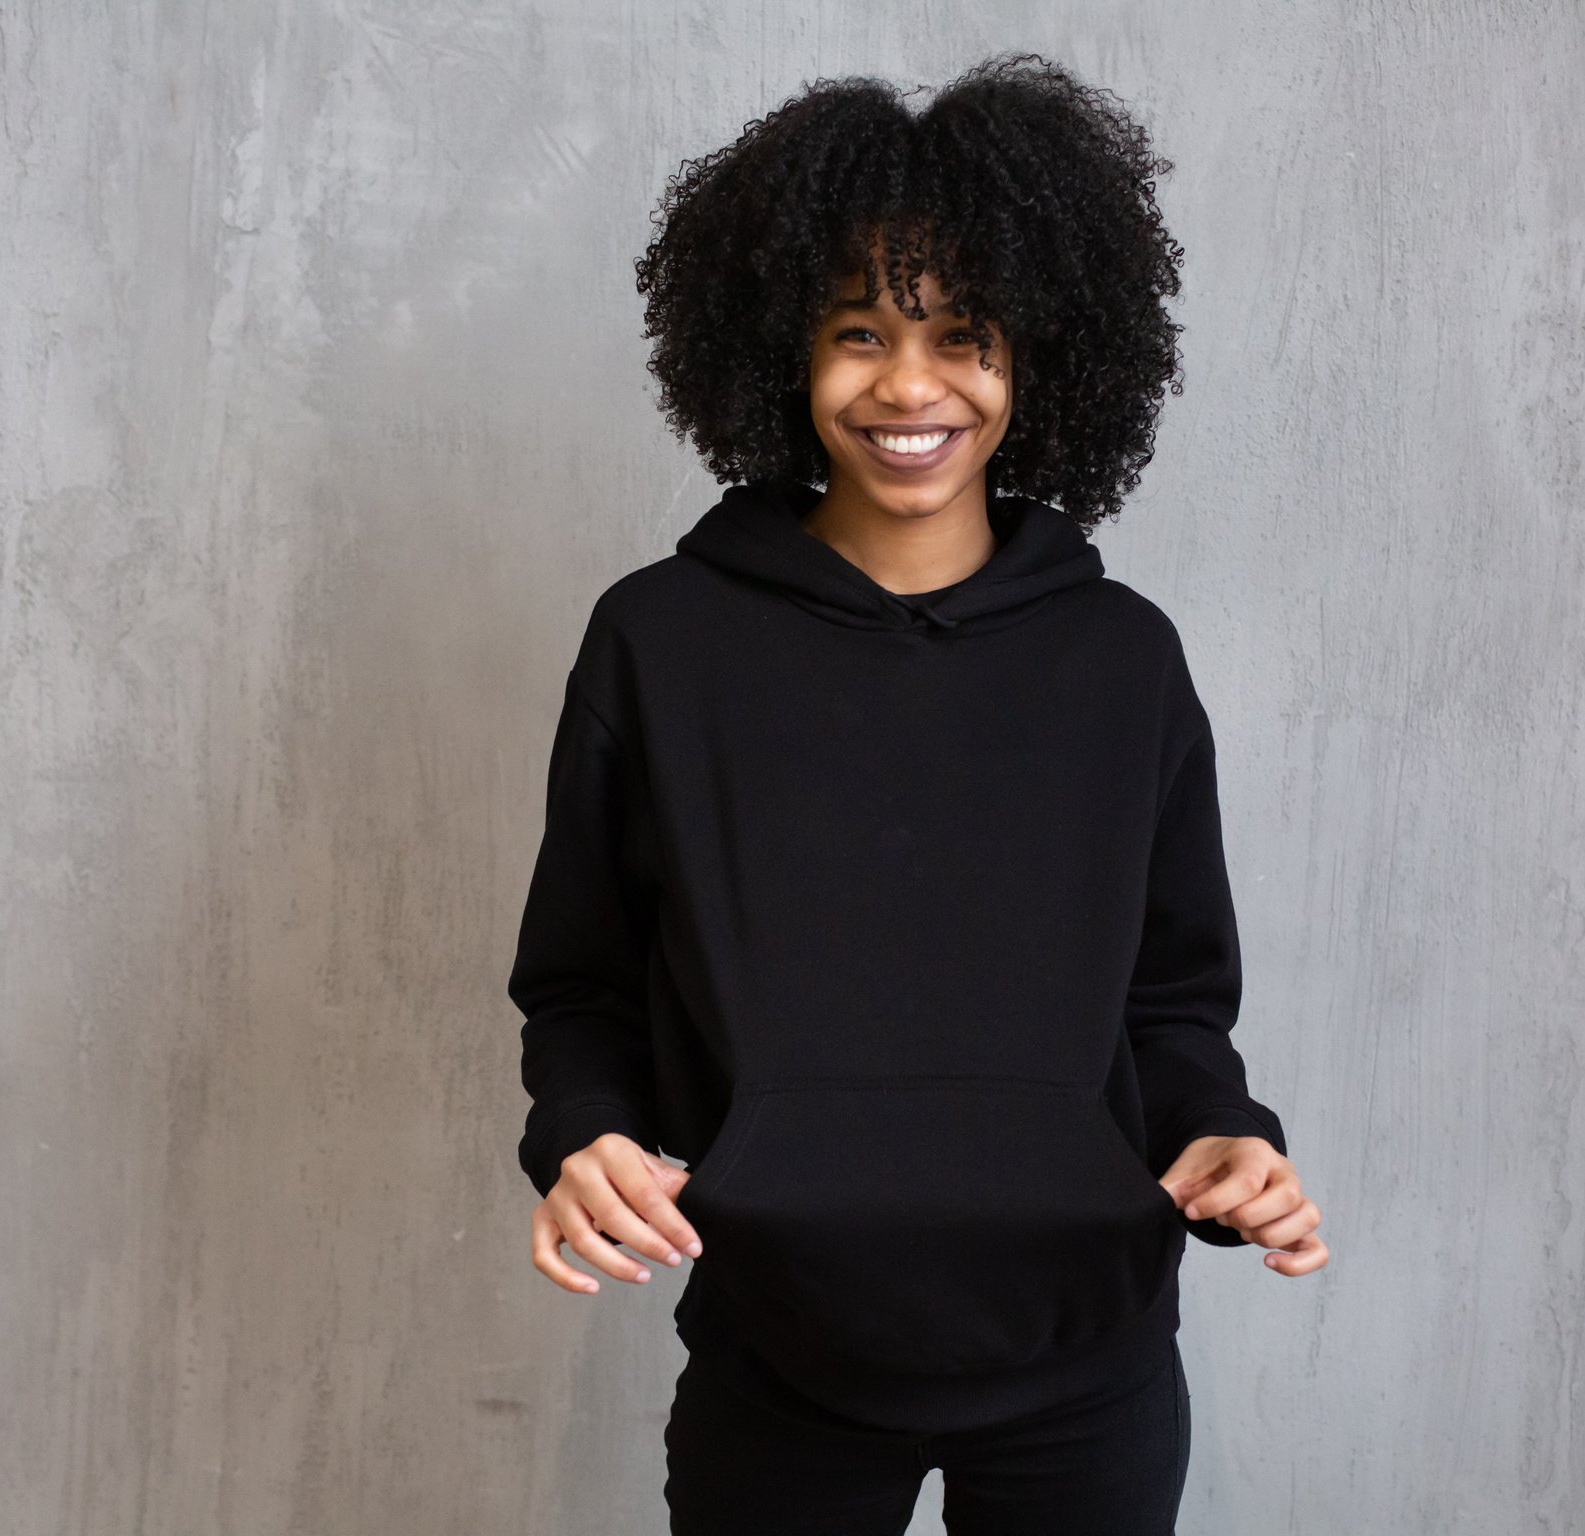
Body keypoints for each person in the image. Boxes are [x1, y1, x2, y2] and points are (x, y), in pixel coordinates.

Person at [506, 52, 1327, 1535]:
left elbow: (1170, 1001)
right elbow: (580, 986)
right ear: (776, 350)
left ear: (1043, 357)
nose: (908, 384)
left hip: (1091, 1367)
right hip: (780, 1355)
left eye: (965, 335)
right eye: (857, 331)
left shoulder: (1121, 660)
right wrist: (583, 1133)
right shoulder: (661, 642)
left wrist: (1222, 1133)